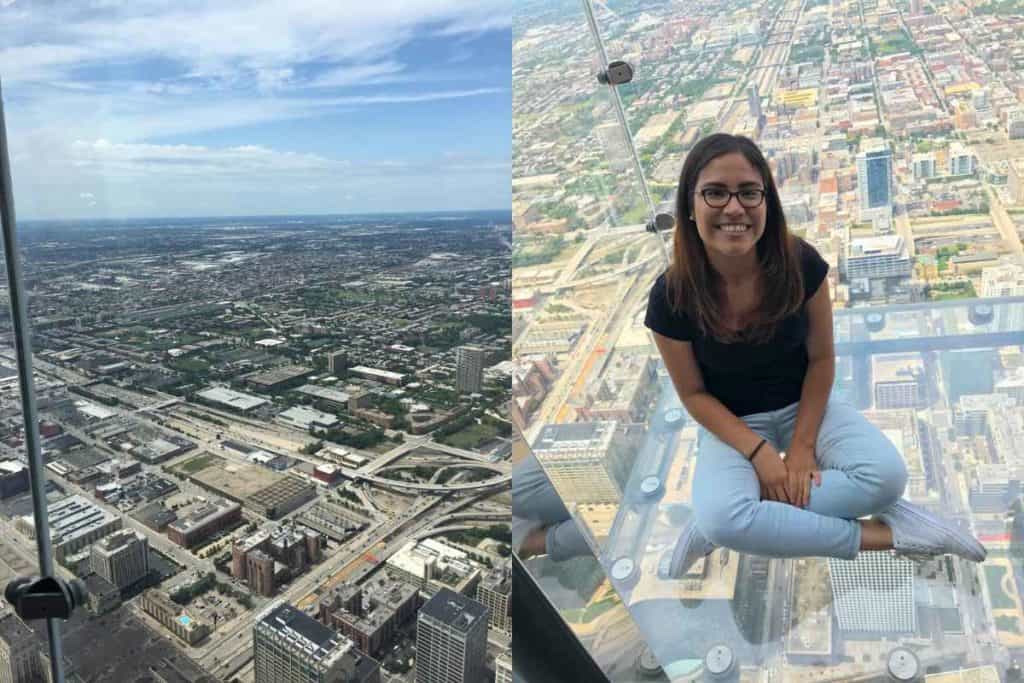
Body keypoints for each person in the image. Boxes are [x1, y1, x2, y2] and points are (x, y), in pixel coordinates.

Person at [645, 133, 985, 577]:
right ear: (690, 205)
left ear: (768, 201)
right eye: (715, 192)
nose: (734, 208)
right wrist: (760, 455)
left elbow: (822, 360)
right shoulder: (671, 296)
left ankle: (720, 524)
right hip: (734, 423)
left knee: (885, 480)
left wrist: (801, 448)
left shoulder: (799, 263)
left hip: (807, 405)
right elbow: (693, 395)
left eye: (749, 192)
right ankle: (893, 535)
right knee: (730, 515)